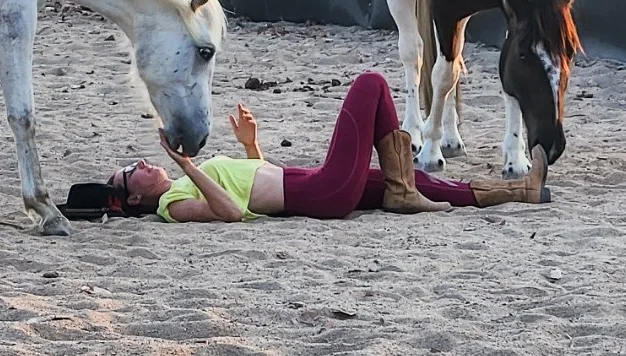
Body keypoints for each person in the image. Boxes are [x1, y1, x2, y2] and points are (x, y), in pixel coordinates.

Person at [98, 72, 551, 224]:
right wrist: (188, 163)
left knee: (421, 180)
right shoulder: (172, 205)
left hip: (312, 185)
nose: (140, 163)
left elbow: (254, 189)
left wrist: (252, 148)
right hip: (319, 193)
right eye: (130, 171)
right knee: (370, 85)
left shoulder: (182, 184)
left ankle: (520, 192)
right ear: (134, 196)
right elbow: (232, 214)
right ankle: (402, 193)